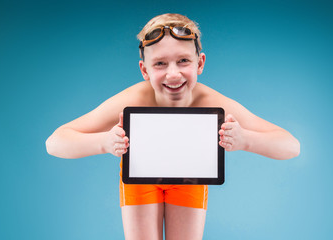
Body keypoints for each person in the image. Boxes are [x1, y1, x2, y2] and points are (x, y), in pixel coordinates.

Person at [46, 13, 300, 240]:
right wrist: (103, 142)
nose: (173, 74)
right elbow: (56, 141)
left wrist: (246, 140)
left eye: (183, 61)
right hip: (141, 177)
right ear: (144, 70)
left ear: (199, 63)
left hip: (189, 173)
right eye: (160, 64)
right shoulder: (133, 100)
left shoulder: (212, 102)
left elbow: (290, 145)